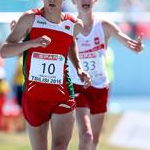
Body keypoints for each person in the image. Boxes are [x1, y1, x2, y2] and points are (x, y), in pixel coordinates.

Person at [0, 0, 91, 150]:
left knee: (60, 147)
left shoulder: (74, 25)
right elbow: (4, 51)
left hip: (62, 94)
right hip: (35, 96)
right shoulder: (30, 19)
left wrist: (79, 68)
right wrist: (30, 43)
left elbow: (70, 42)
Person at [68, 0, 144, 150]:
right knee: (86, 136)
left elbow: (129, 43)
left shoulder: (103, 26)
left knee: (94, 141)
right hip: (79, 85)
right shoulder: (69, 26)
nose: (85, 1)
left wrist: (137, 47)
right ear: (73, 1)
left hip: (100, 86)